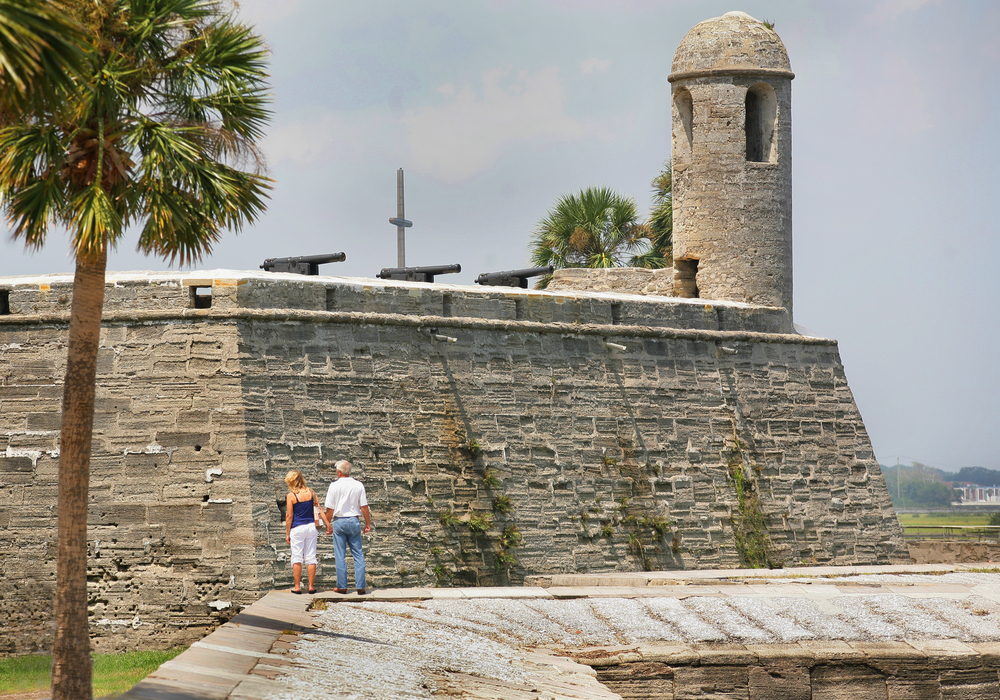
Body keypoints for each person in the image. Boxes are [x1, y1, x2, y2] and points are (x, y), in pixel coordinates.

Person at [324, 460, 372, 594]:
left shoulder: (333, 486)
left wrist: (328, 524)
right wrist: (367, 523)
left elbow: (330, 509)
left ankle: (342, 586)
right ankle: (360, 585)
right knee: (358, 554)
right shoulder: (358, 485)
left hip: (339, 521)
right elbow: (364, 506)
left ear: (339, 472)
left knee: (340, 555)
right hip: (354, 520)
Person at [284, 470, 331, 594]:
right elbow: (319, 509)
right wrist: (327, 524)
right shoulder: (311, 492)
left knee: (297, 556)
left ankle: (297, 587)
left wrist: (287, 533)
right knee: (311, 556)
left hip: (297, 528)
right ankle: (311, 586)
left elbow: (289, 516)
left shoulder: (291, 496)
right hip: (311, 527)